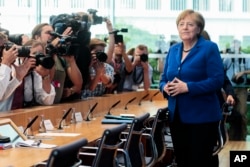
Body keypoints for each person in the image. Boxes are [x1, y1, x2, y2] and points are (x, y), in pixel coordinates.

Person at [159, 9, 224, 167]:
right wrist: (164, 88)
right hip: (177, 116)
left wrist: (187, 87)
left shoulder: (209, 48)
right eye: (181, 24)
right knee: (182, 160)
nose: (185, 27)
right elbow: (163, 79)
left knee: (199, 161)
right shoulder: (174, 50)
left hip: (202, 117)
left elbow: (217, 80)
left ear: (199, 28)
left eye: (190, 24)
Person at [31, 23, 83, 103]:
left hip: (56, 106)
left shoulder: (60, 57)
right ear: (37, 37)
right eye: (48, 32)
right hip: (37, 106)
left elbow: (78, 84)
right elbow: (48, 78)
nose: (52, 35)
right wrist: (52, 49)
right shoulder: (33, 57)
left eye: (53, 32)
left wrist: (72, 61)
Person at [0, 33, 37, 111]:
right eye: (1, 47)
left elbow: (2, 96)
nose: (3, 51)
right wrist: (6, 63)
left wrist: (18, 77)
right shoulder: (4, 66)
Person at [223, 39, 250, 140]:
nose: (235, 47)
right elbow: (221, 69)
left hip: (241, 89)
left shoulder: (244, 57)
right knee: (230, 114)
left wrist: (243, 73)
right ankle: (231, 137)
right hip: (229, 89)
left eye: (236, 45)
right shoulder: (227, 58)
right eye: (233, 45)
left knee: (242, 113)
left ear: (240, 46)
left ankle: (242, 137)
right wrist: (225, 54)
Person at [22, 39, 56, 106]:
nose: (38, 57)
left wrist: (45, 76)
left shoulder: (38, 73)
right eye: (34, 53)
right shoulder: (14, 69)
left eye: (41, 54)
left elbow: (48, 101)